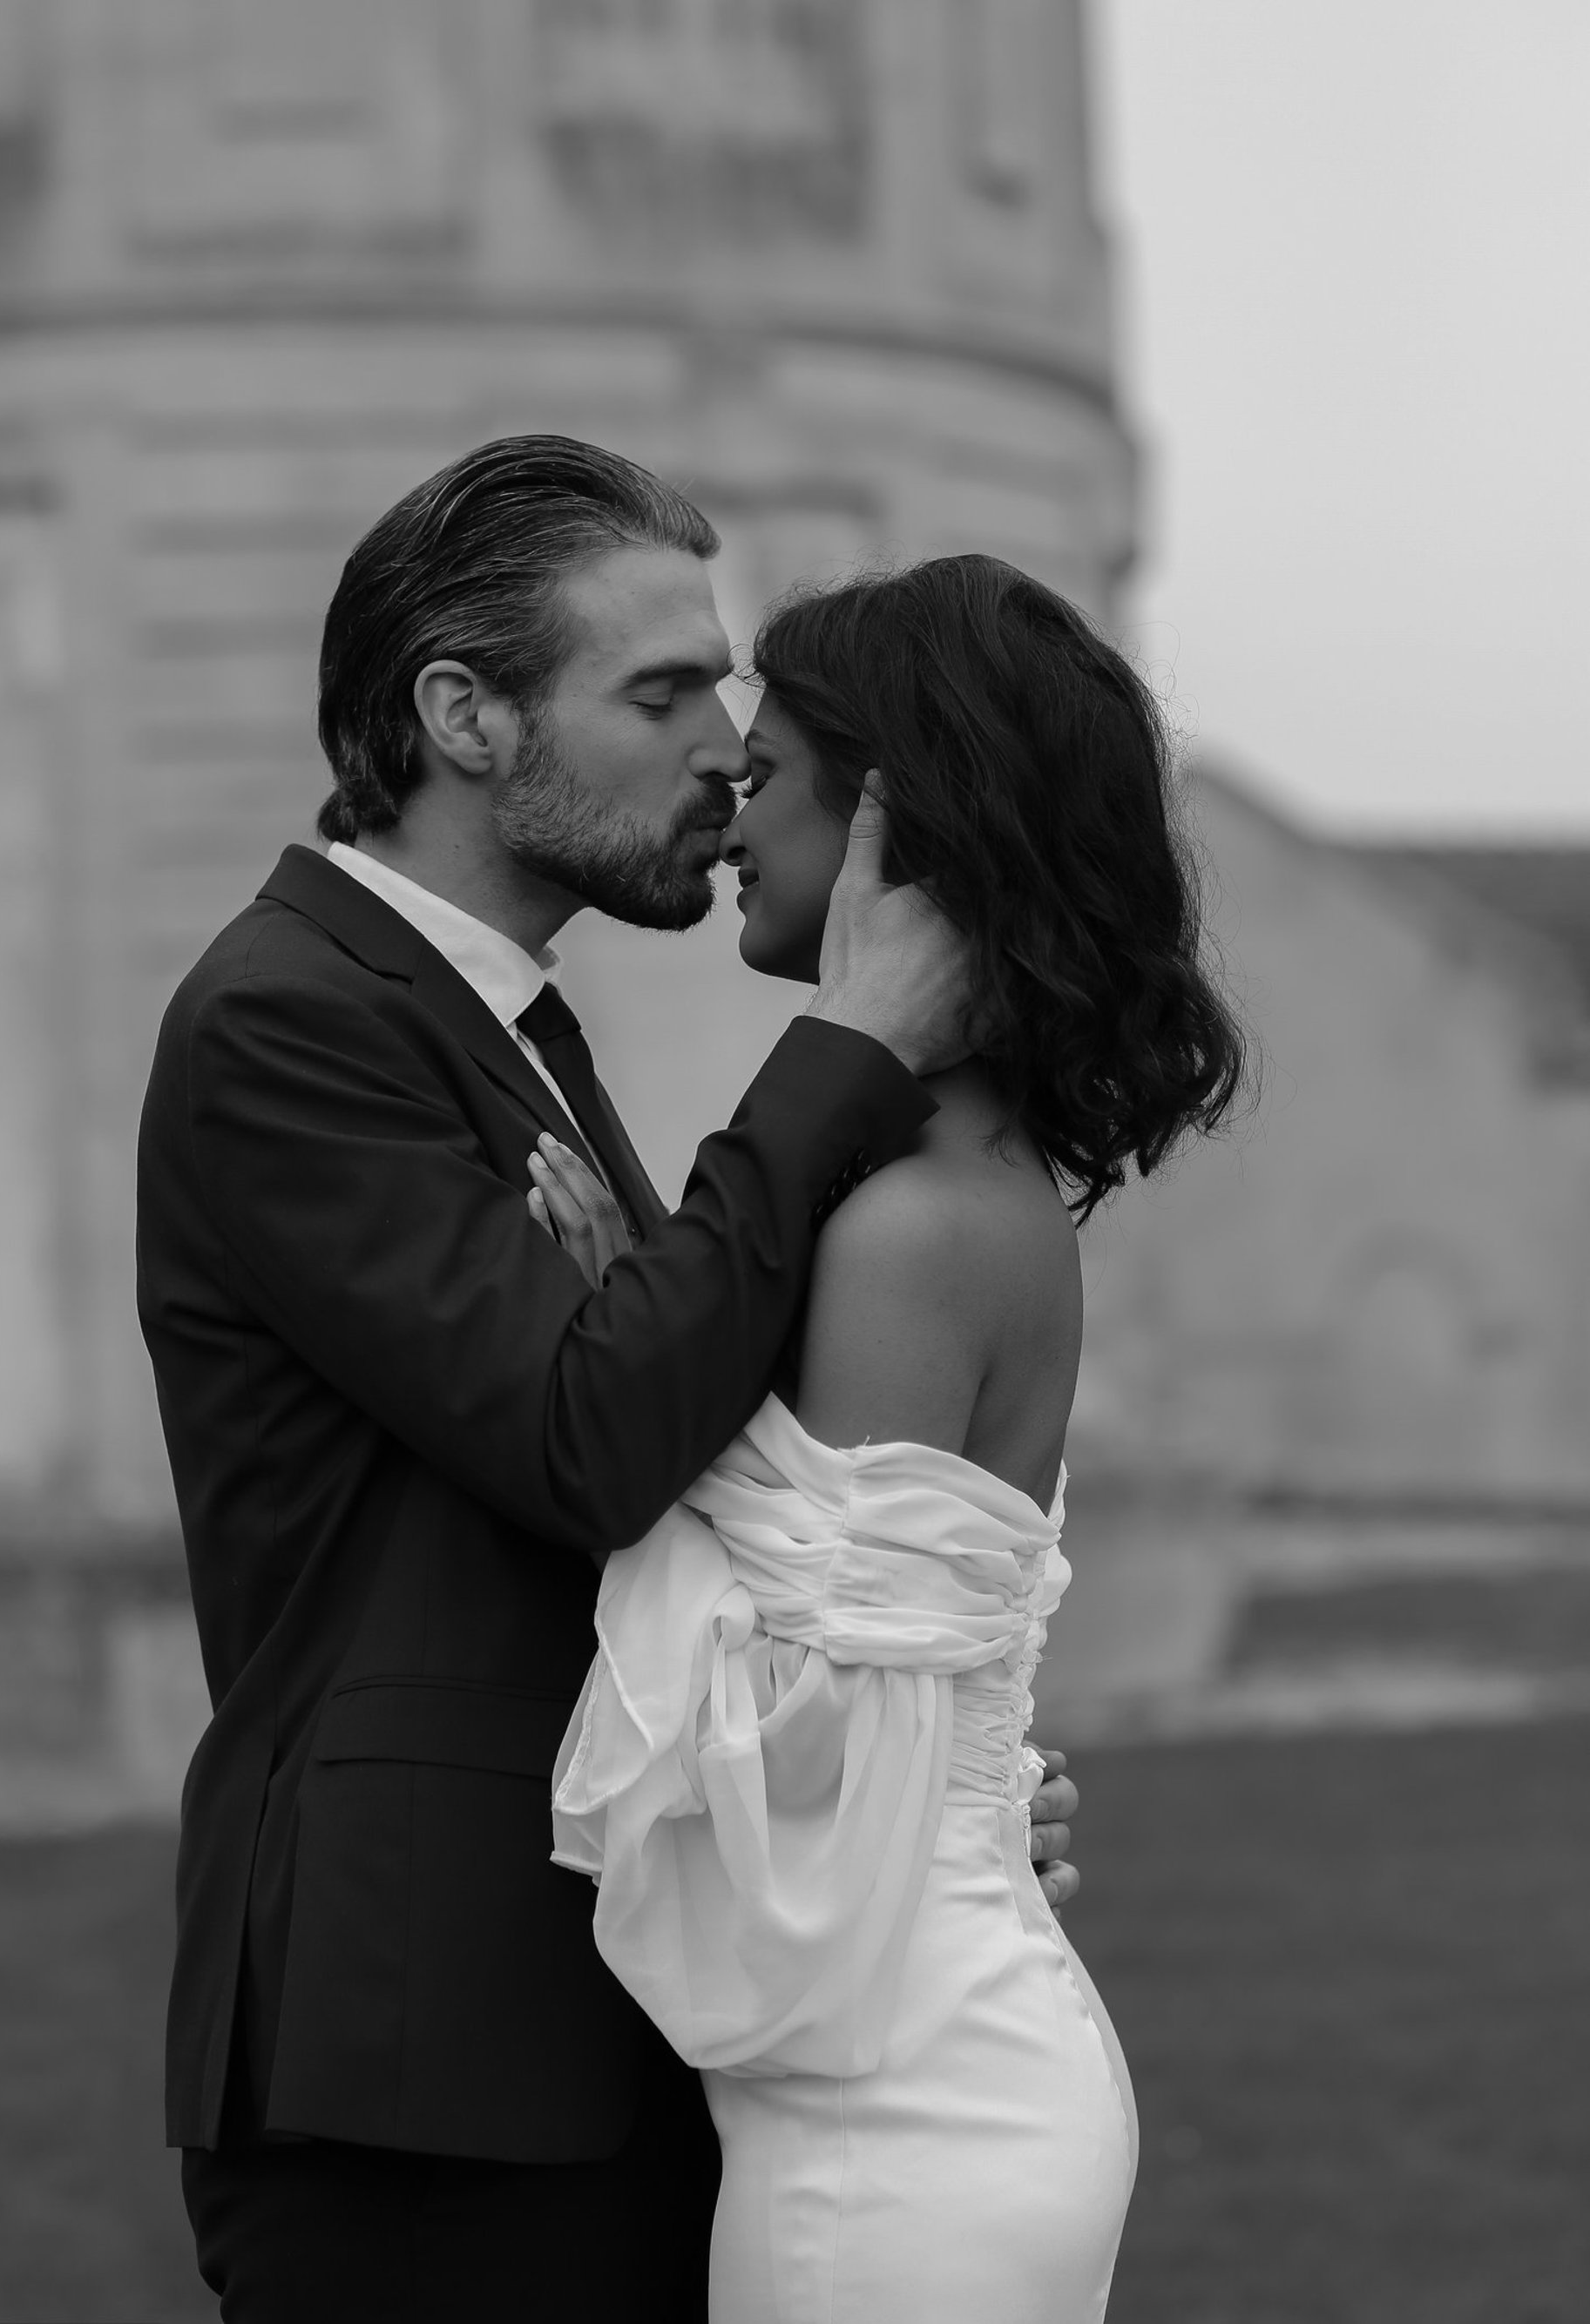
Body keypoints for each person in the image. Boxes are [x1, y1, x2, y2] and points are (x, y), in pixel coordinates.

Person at [138, 437, 1084, 2324]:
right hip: (426, 2058)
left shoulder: (511, 1029)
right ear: (464, 716)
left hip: (600, 2012)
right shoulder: (286, 1017)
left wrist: (919, 1784)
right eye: (660, 694)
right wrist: (846, 1046)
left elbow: (693, 1480)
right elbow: (590, 1439)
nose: (727, 751)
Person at [545, 556, 1250, 2321]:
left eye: (770, 769)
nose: (729, 808)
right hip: (921, 2053)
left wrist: (614, 1353)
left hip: (897, 2119)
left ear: (893, 828)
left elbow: (791, 1764)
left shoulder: (911, 1229)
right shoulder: (958, 1185)